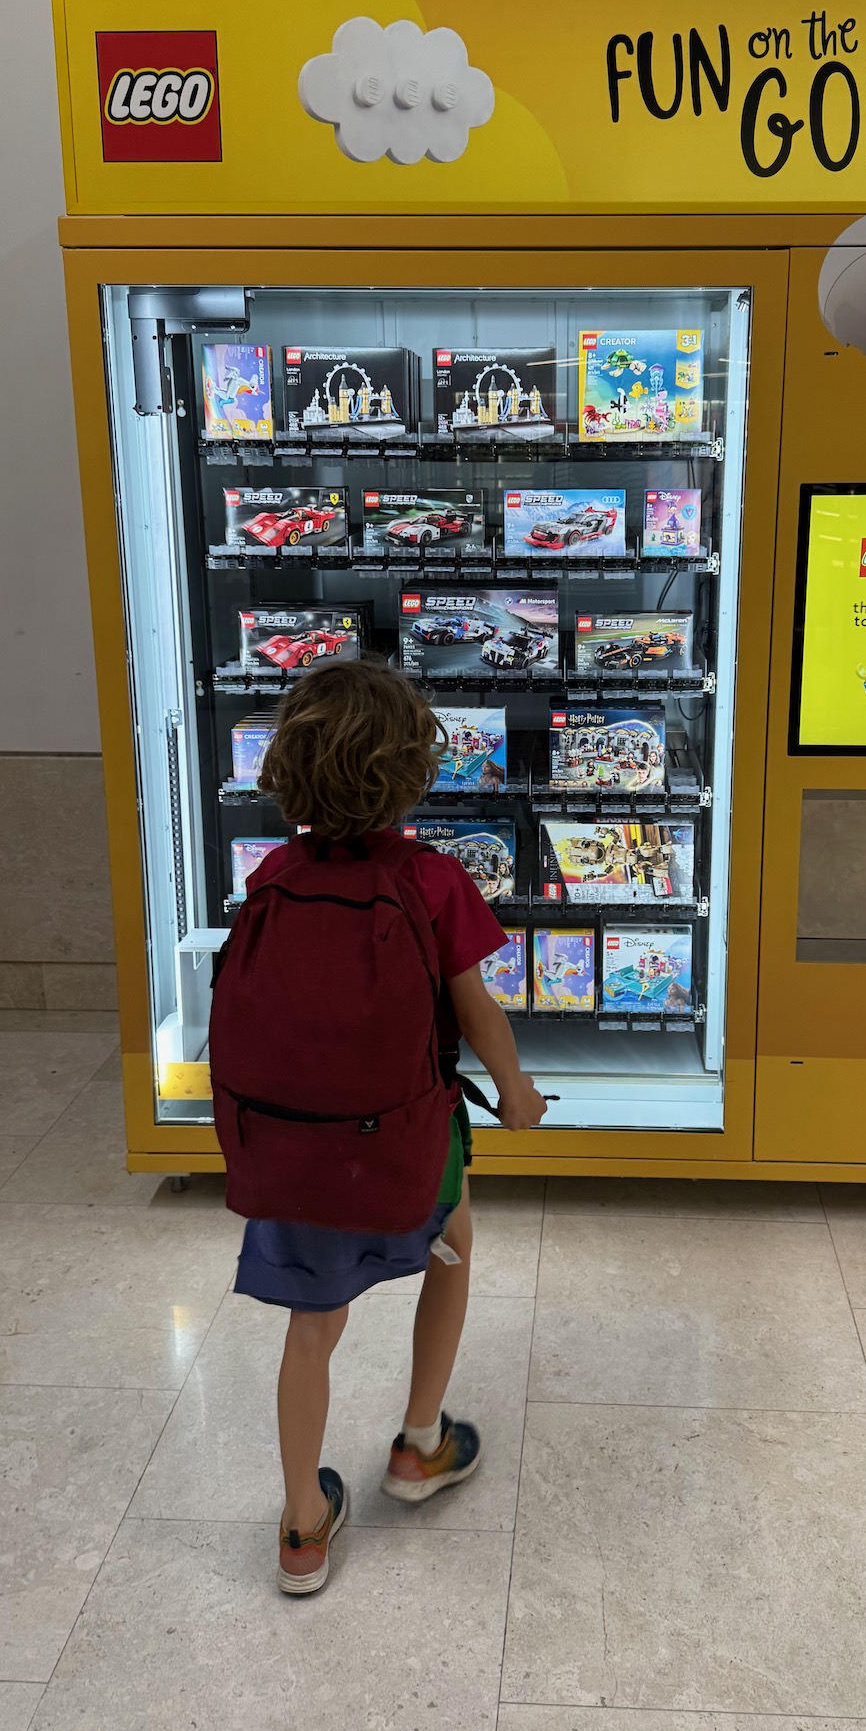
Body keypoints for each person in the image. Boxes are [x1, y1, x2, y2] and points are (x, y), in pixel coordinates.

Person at [232, 659, 547, 1597]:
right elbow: (477, 1010)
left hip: (293, 1152)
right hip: (406, 1140)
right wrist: (518, 1092)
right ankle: (420, 1445)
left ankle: (301, 1523)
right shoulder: (434, 880)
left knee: (310, 1328)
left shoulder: (273, 875)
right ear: (411, 770)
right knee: (451, 1244)